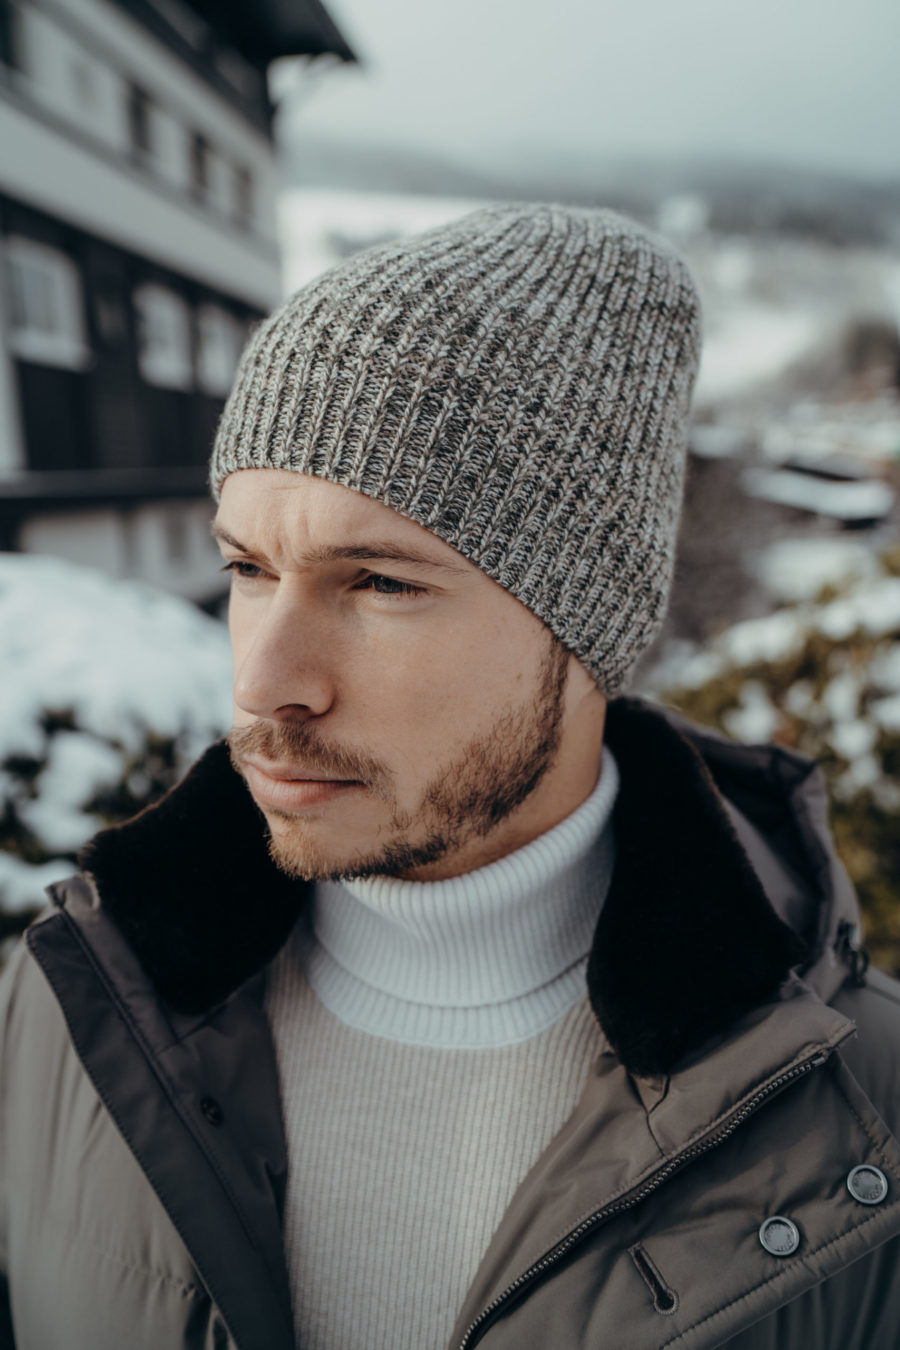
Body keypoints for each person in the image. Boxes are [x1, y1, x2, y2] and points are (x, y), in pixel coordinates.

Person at [1, 204, 899, 1350]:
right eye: (246, 567)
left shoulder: (861, 1112)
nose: (267, 680)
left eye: (377, 583)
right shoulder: (62, 1010)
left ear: (587, 624)